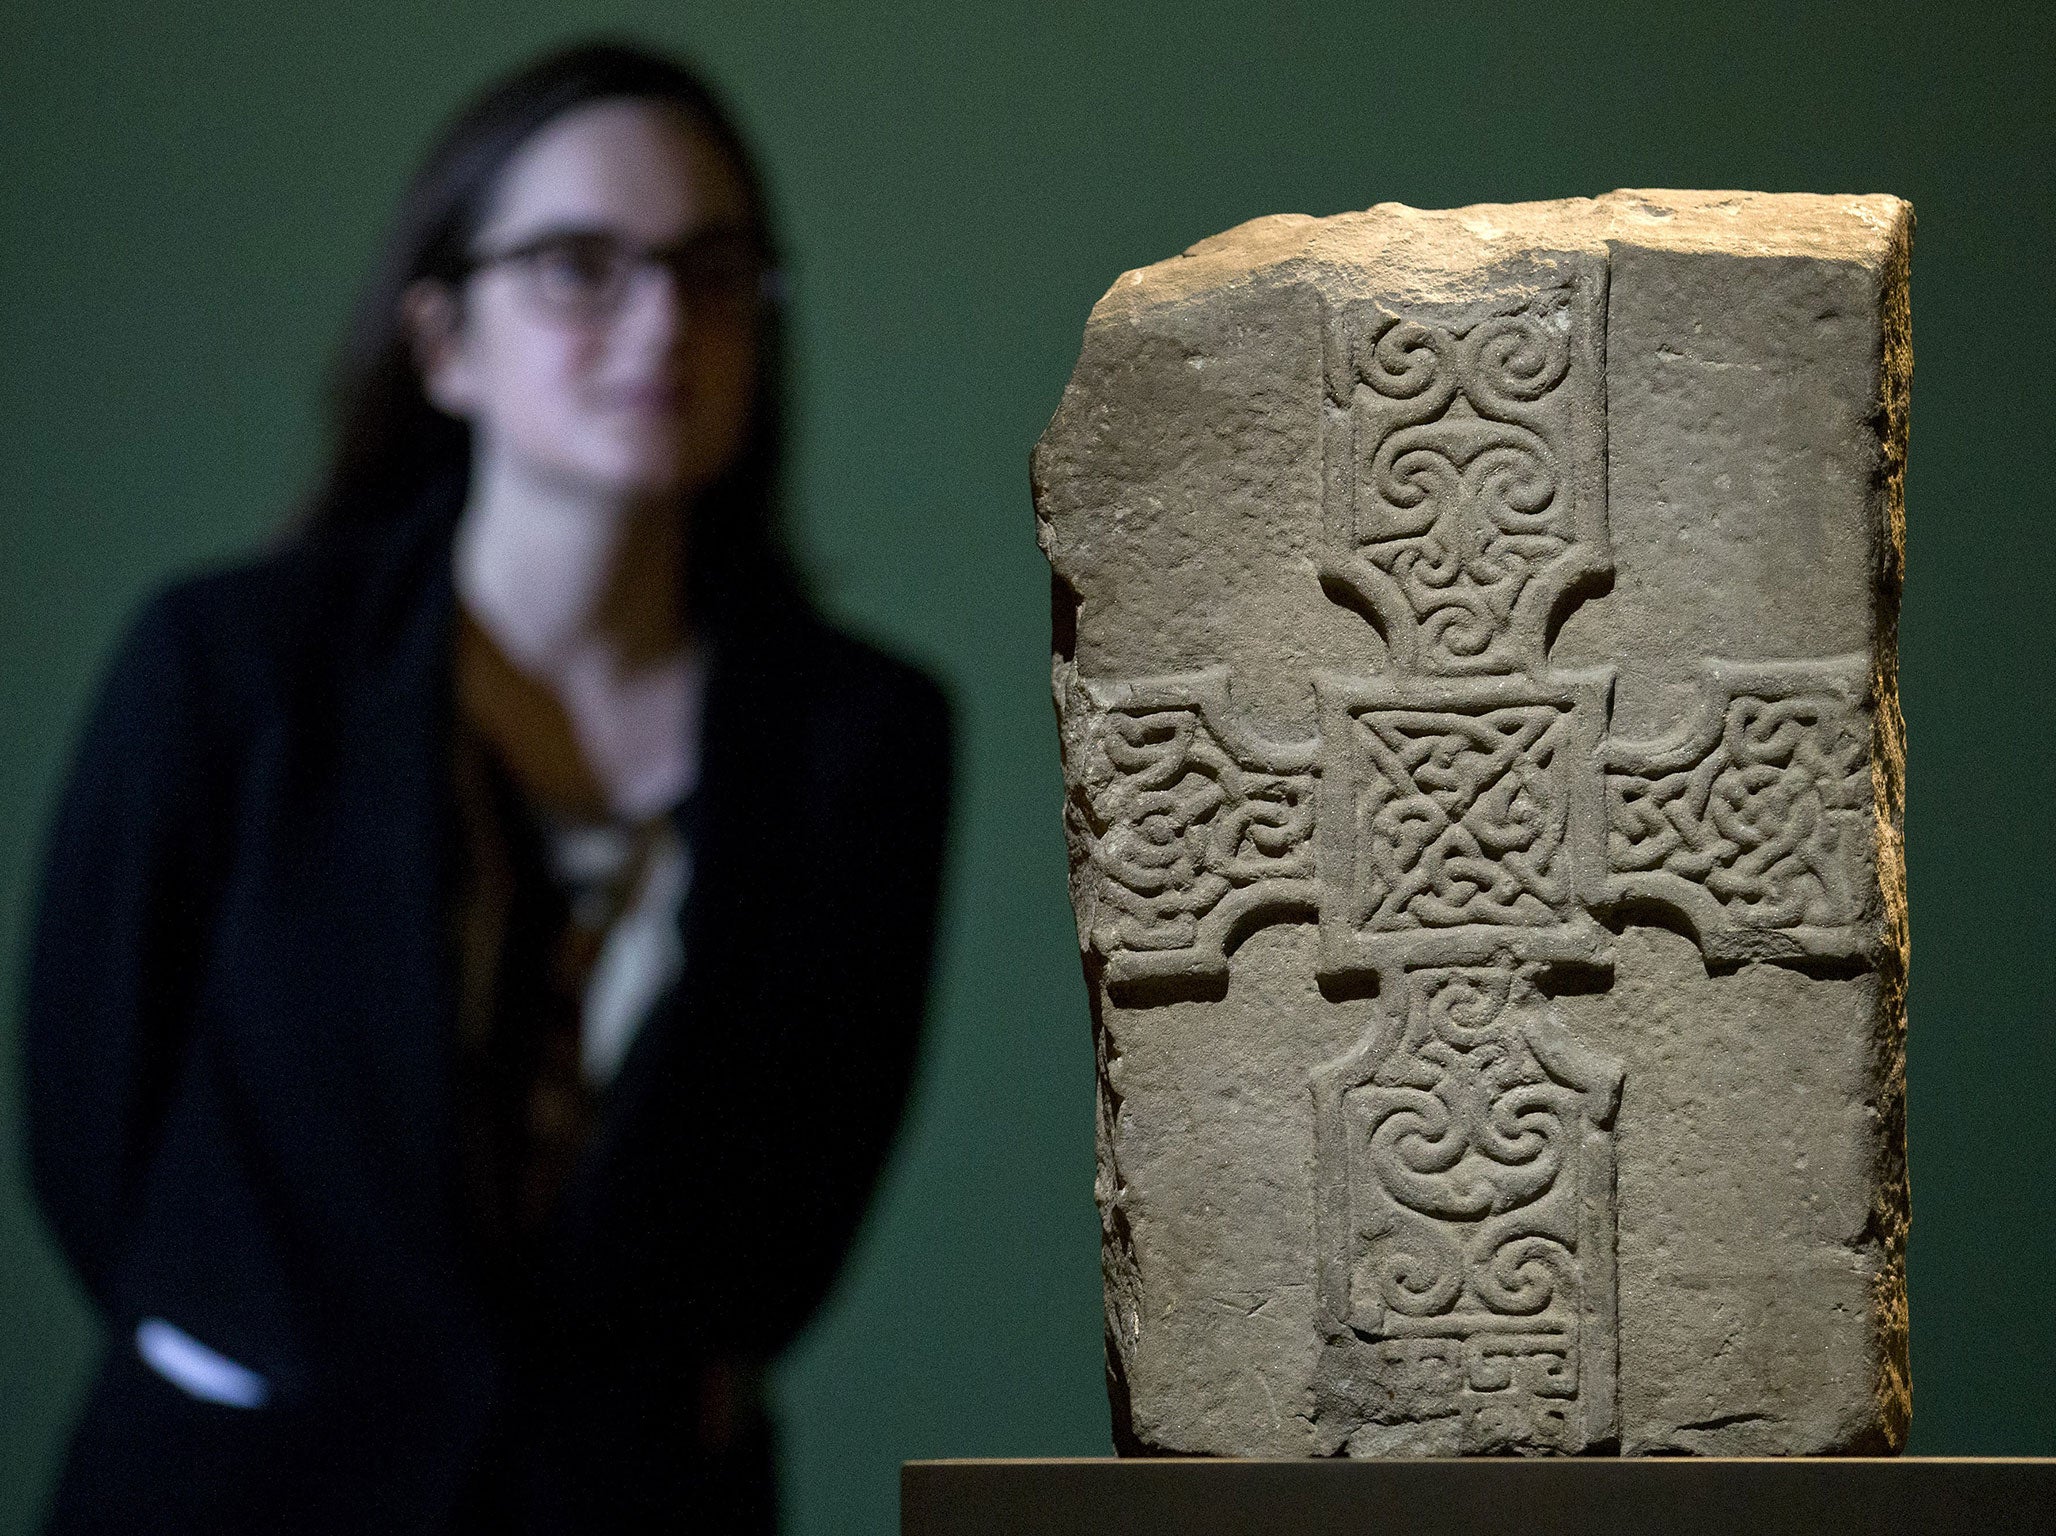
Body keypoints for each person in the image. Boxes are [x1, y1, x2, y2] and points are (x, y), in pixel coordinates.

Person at [20, 39, 951, 1535]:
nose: (660, 318)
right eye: (581, 265)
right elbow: (90, 1124)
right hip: (234, 1491)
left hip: (638, 1503)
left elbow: (797, 1221)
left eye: (713, 270)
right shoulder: (227, 670)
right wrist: (250, 1348)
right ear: (443, 339)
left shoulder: (868, 736)